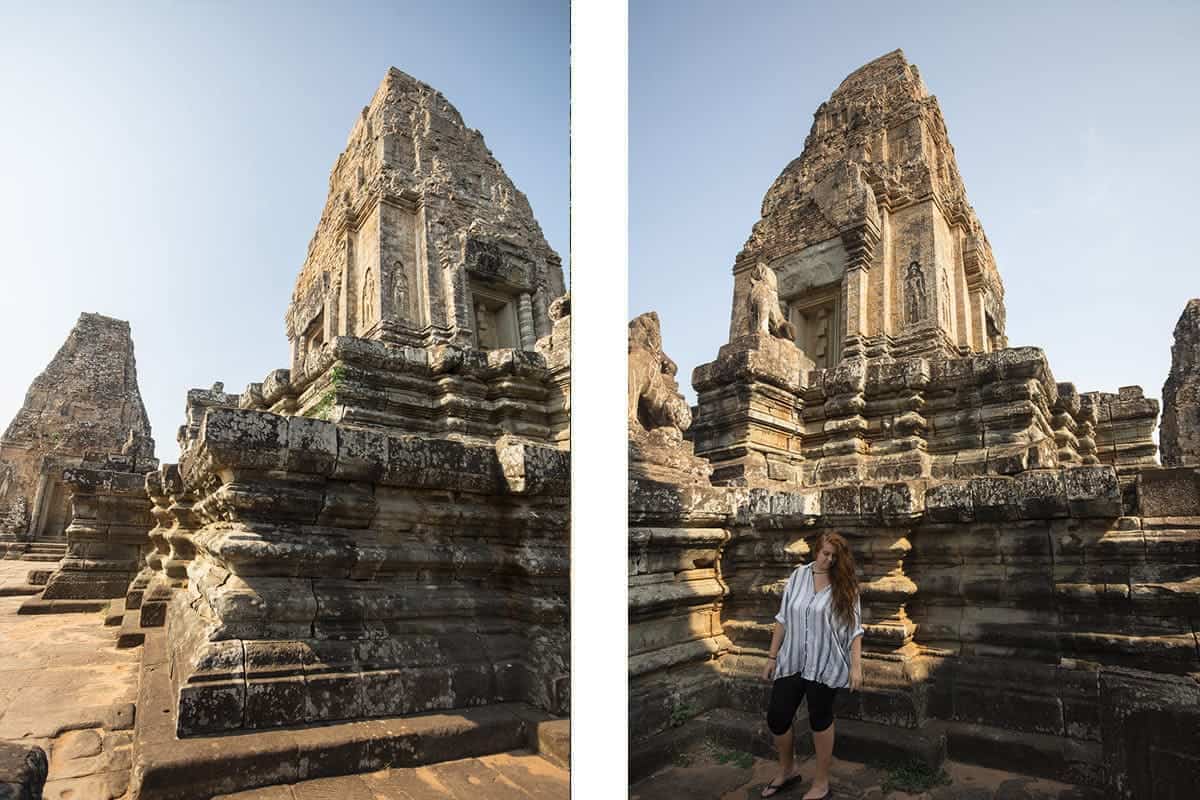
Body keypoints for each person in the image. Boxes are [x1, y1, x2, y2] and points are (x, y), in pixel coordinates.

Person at [760, 532, 864, 799]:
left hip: (824, 662)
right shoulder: (798, 576)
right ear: (816, 551)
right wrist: (772, 657)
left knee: (820, 719)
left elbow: (854, 628)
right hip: (792, 659)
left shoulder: (845, 583)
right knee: (778, 717)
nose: (829, 560)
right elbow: (782, 618)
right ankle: (788, 770)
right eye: (825, 553)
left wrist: (856, 666)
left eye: (834, 556)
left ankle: (821, 782)